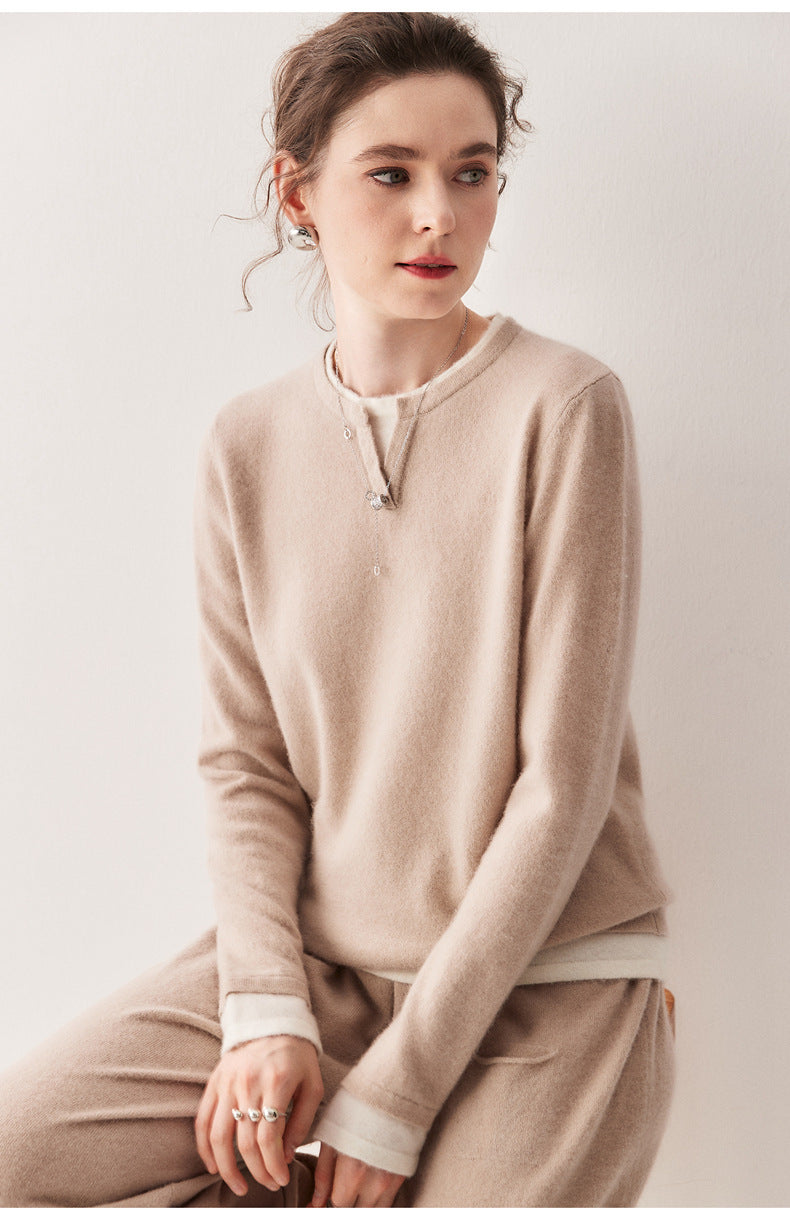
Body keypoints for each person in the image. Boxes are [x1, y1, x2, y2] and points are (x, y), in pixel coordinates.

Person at [0, 12, 677, 1208]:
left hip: (545, 984)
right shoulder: (246, 444)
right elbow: (246, 764)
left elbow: (560, 788)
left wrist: (400, 1091)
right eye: (391, 174)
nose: (439, 216)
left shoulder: (564, 406)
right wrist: (265, 1009)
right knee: (22, 1158)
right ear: (297, 192)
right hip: (323, 974)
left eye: (472, 172)